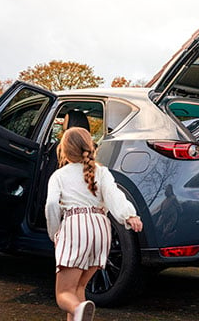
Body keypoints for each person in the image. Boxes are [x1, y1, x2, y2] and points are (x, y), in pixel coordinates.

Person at [45, 127, 143, 321]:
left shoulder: (59, 176)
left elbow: (51, 205)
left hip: (75, 229)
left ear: (63, 150)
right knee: (79, 288)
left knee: (63, 295)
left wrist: (55, 233)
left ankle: (78, 308)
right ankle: (80, 310)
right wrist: (129, 215)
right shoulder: (102, 172)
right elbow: (114, 195)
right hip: (100, 229)